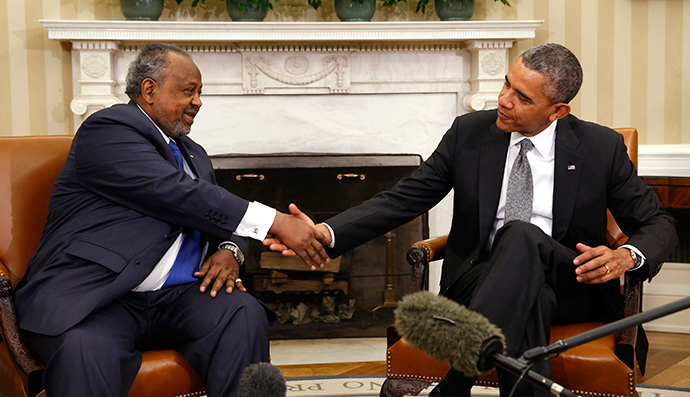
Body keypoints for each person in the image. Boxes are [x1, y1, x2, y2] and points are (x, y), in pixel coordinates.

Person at [266, 43, 678, 397]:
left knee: (523, 239)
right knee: (529, 288)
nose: (503, 100)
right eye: (505, 84)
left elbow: (658, 224)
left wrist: (627, 256)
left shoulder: (599, 147)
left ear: (558, 110)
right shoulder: (470, 133)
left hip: (569, 285)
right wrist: (326, 231)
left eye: (522, 97)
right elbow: (405, 198)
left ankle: (456, 382)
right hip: (477, 280)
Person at [14, 43, 331, 397]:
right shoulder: (108, 129)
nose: (198, 101)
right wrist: (276, 221)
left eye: (200, 93)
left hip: (176, 299)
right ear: (149, 90)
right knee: (86, 350)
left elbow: (218, 213)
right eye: (188, 91)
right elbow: (176, 193)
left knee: (241, 313)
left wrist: (229, 250)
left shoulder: (193, 154)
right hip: (98, 298)